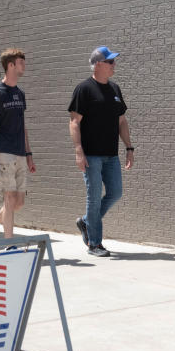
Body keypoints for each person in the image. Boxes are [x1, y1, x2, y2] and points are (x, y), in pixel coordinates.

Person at [68, 46, 134, 257]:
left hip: (111, 154)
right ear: (98, 64)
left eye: (114, 61)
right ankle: (95, 244)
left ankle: (87, 222)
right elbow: (74, 122)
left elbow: (121, 121)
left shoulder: (115, 89)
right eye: (110, 62)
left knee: (115, 193)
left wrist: (129, 147)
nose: (114, 65)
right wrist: (79, 150)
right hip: (91, 155)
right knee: (94, 198)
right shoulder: (84, 89)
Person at [0, 48, 34, 247]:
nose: (24, 66)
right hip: (4, 152)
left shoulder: (20, 94)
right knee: (9, 197)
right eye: (21, 62)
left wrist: (29, 153)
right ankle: (8, 244)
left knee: (18, 202)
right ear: (10, 65)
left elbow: (23, 126)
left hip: (20, 152)